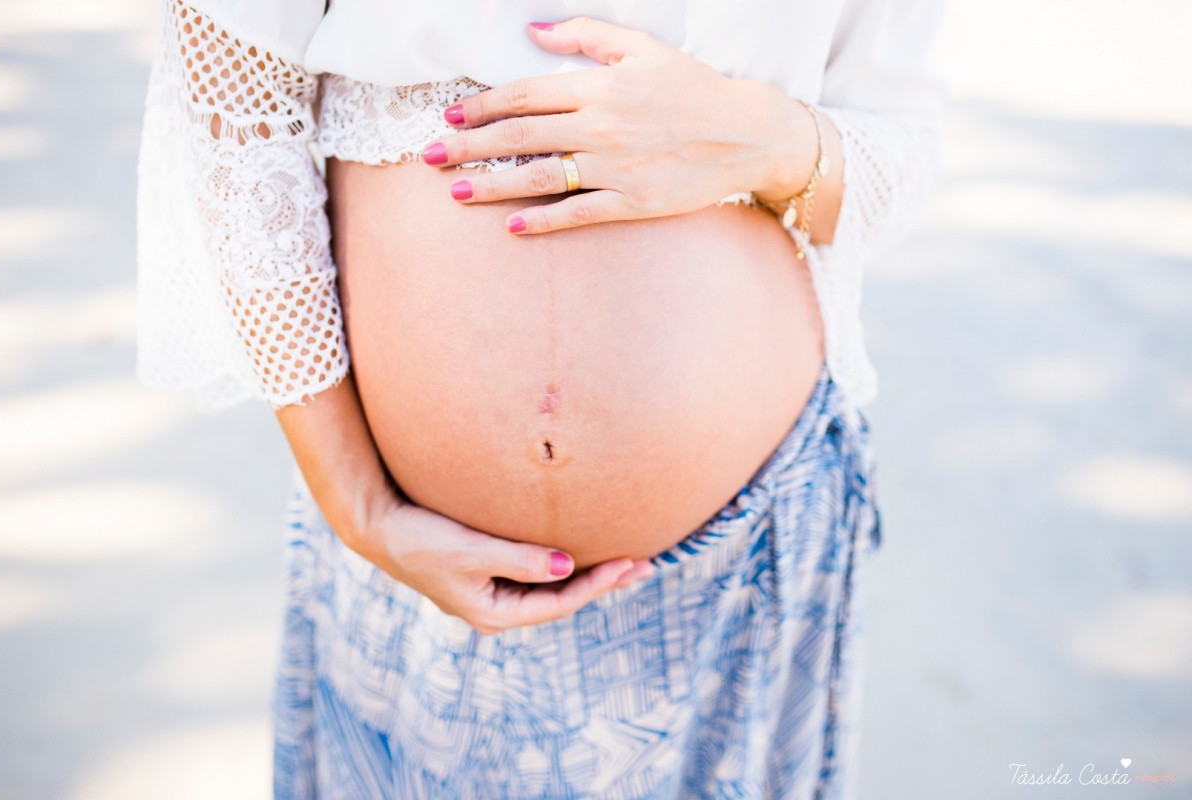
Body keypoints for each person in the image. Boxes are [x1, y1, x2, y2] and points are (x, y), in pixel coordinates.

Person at [136, 0, 946, 796]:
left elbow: (898, 146)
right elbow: (232, 88)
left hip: (744, 564)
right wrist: (358, 506)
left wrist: (766, 138)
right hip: (405, 552)